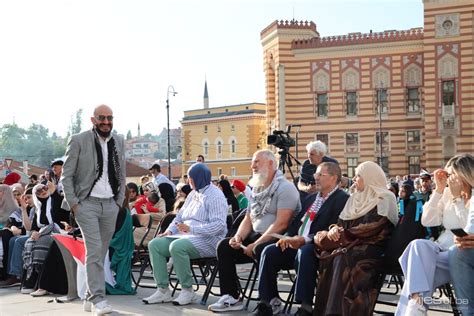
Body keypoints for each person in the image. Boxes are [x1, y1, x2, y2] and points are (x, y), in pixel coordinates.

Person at [207, 149, 300, 312]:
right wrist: (238, 237)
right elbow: (248, 218)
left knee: (260, 249)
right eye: (252, 162)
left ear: (271, 163)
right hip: (256, 235)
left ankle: (271, 300)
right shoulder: (257, 189)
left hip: (279, 238)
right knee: (224, 246)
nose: (252, 166)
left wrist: (255, 243)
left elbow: (282, 223)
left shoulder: (285, 188)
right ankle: (232, 297)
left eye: (257, 162)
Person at [252, 162, 349, 316]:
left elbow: (334, 227)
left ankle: (306, 307)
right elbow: (296, 223)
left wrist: (305, 240)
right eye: (316, 174)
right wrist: (287, 237)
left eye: (320, 175)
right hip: (296, 242)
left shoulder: (342, 199)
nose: (315, 177)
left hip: (319, 246)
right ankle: (266, 302)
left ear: (333, 178)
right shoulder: (311, 198)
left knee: (305, 252)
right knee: (268, 251)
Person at [61, 104, 126, 315]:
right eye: (102, 118)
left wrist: (118, 202)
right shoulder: (79, 140)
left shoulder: (119, 140)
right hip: (86, 204)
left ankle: (89, 297)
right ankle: (99, 300)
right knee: (95, 250)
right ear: (93, 120)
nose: (106, 122)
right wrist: (74, 204)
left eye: (110, 118)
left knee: (100, 252)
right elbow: (66, 175)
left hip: (110, 204)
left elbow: (122, 174)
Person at [313, 161, 397, 316]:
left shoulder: (385, 197)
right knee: (328, 257)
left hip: (372, 248)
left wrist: (345, 234)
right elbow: (340, 224)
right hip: (350, 245)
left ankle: (337, 313)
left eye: (359, 175)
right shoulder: (353, 199)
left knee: (343, 257)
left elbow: (374, 226)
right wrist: (334, 231)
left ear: (369, 177)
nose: (354, 178)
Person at [395, 153, 473, 316]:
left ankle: (414, 309)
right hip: (442, 251)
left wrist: (458, 199)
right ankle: (418, 305)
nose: (449, 179)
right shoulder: (446, 194)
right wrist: (438, 190)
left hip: (462, 253)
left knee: (415, 274)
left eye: (451, 175)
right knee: (418, 245)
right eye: (447, 175)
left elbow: (468, 229)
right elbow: (427, 220)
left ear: (465, 174)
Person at [142, 163, 228, 306]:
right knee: (155, 244)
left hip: (209, 240)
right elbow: (179, 217)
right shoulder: (193, 194)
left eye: (191, 178)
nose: (189, 181)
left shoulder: (216, 195)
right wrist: (169, 231)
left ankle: (188, 290)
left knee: (177, 247)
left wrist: (192, 229)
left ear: (199, 178)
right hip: (186, 236)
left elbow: (219, 226)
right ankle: (163, 290)